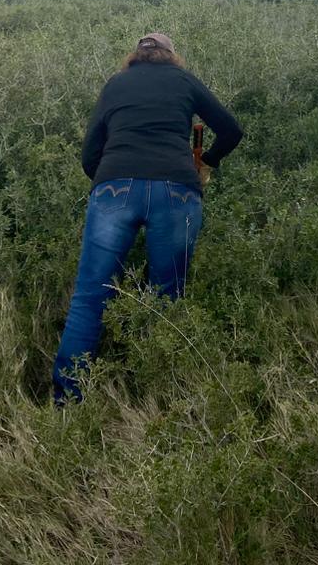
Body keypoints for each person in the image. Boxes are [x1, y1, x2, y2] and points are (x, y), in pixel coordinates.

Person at [52, 32, 243, 404]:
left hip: (114, 189)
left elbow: (89, 152)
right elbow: (232, 131)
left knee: (90, 296)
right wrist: (206, 162)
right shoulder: (184, 81)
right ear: (172, 56)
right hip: (177, 191)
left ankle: (67, 402)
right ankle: (160, 399)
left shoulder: (117, 83)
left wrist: (109, 181)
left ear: (134, 57)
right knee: (168, 298)